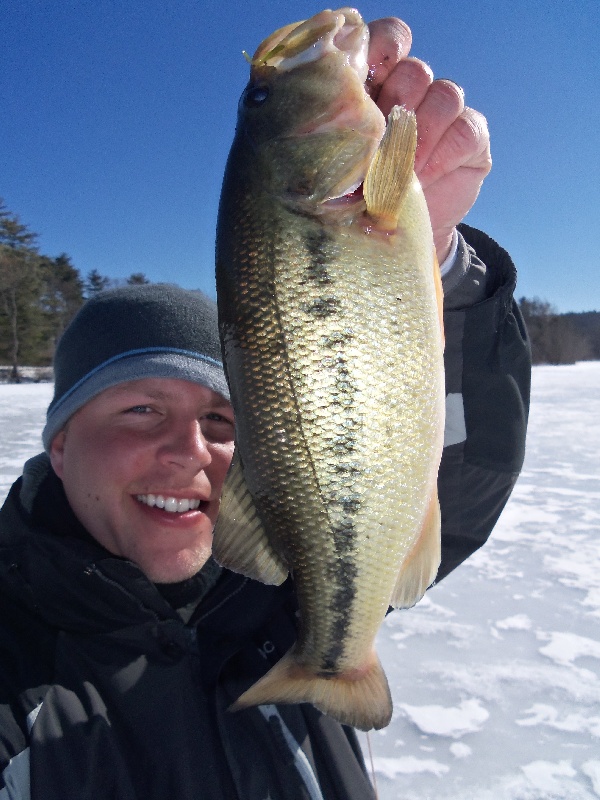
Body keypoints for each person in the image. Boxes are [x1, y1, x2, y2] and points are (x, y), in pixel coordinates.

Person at [0, 17, 531, 800]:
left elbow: (464, 471)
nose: (190, 449)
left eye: (221, 421)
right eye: (141, 411)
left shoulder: (281, 592)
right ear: (60, 445)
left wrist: (446, 271)